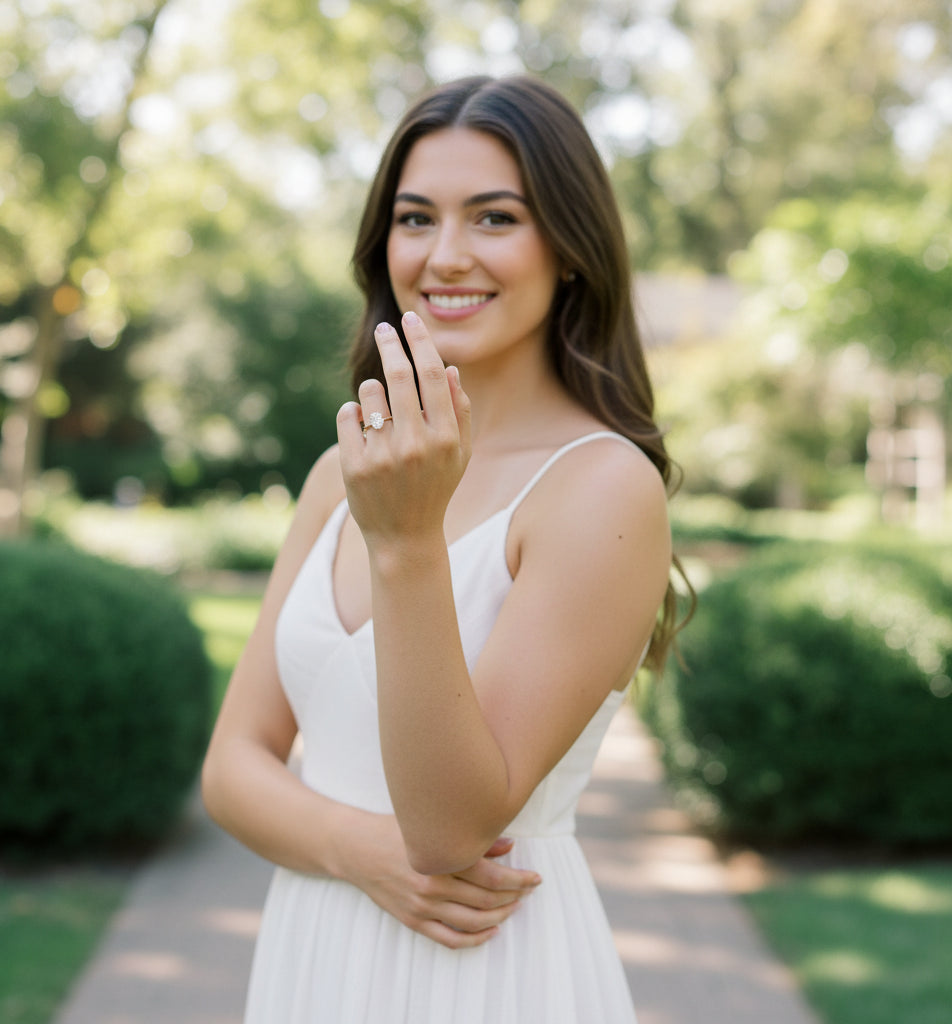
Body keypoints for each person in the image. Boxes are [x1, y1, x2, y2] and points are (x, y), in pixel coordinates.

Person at [202, 73, 689, 1023]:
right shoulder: (340, 475)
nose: (446, 256)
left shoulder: (599, 487)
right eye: (416, 219)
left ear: (572, 250)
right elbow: (231, 766)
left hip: (487, 973)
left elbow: (451, 827)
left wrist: (408, 545)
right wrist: (355, 850)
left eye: (496, 218)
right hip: (314, 959)